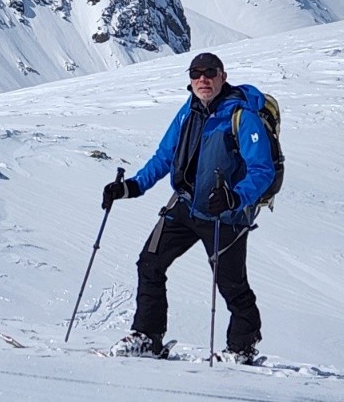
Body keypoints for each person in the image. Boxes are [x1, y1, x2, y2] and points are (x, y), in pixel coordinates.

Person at [99, 52, 275, 364]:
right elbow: (165, 157)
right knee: (149, 263)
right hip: (185, 206)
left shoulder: (241, 116)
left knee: (232, 285)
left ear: (222, 76)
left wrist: (235, 197)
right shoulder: (188, 112)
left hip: (227, 216)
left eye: (210, 72)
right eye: (196, 73)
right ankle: (147, 336)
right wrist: (131, 187)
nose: (203, 79)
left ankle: (242, 348)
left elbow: (263, 170)